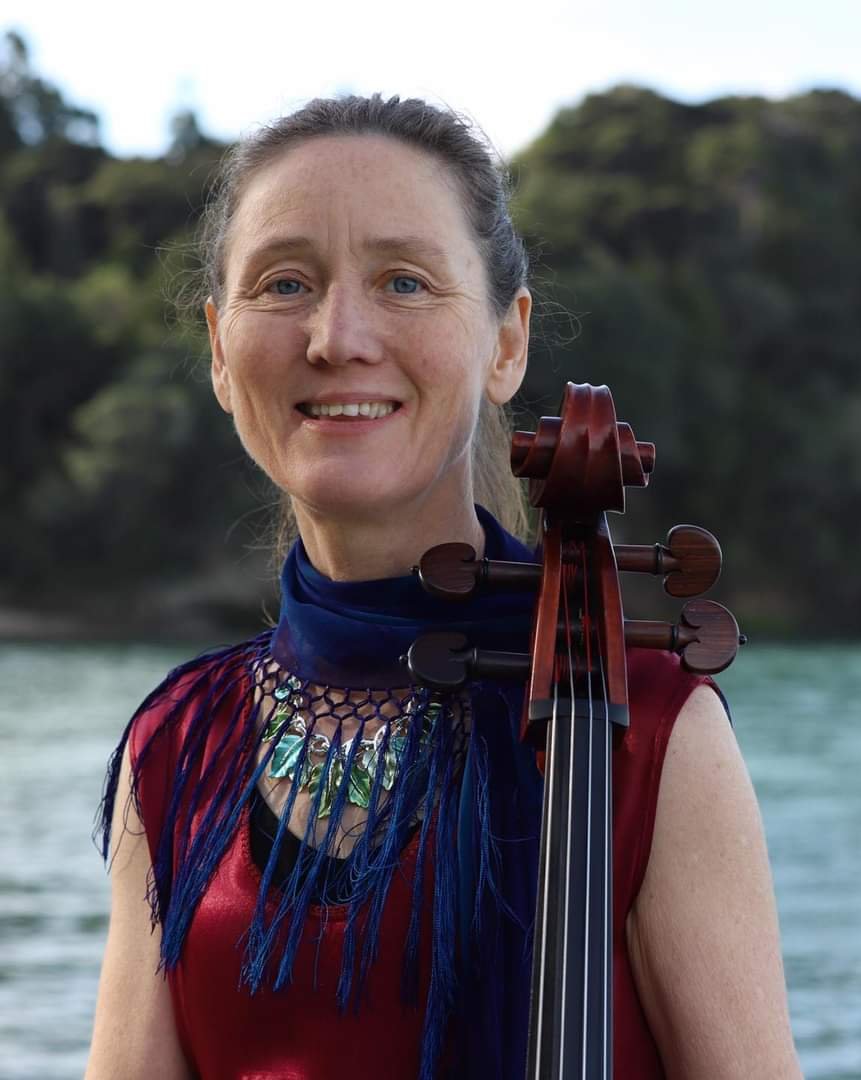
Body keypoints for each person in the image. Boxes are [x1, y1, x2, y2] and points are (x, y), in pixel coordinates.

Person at [86, 94, 801, 1079]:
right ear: (218, 347)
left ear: (506, 343)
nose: (336, 336)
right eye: (284, 282)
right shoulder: (178, 747)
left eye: (406, 282)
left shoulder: (653, 735)